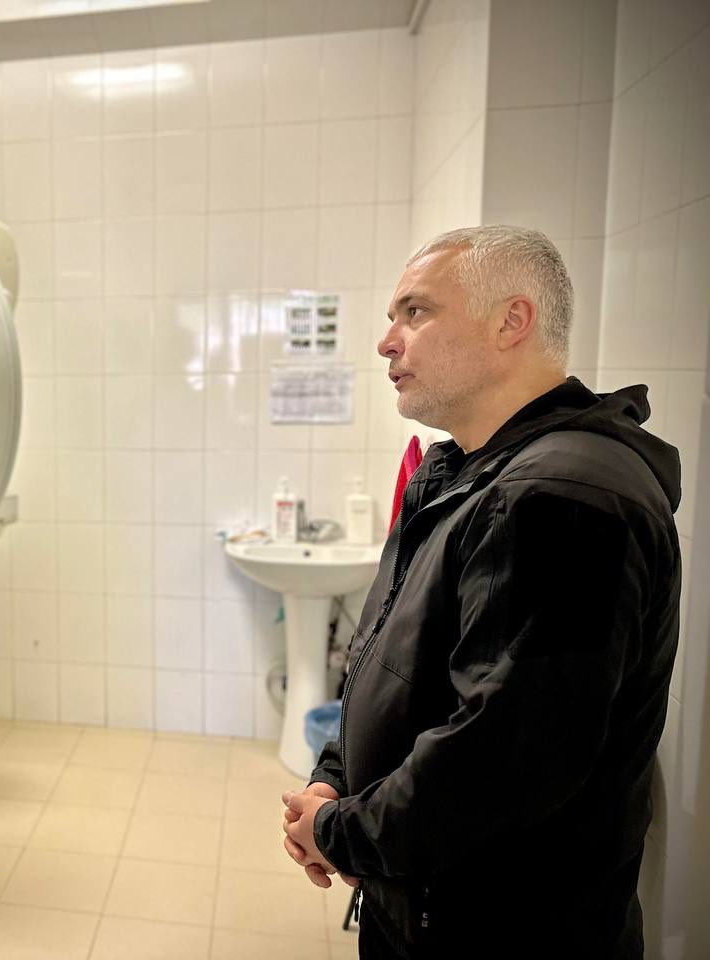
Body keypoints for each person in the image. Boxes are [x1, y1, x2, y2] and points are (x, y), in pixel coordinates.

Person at [280, 226, 681, 958]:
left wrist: (342, 832)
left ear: (511, 321)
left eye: (415, 312)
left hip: (498, 929)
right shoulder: (461, 475)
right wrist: (335, 780)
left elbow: (504, 762)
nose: (387, 342)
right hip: (421, 895)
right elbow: (391, 662)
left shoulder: (562, 496)